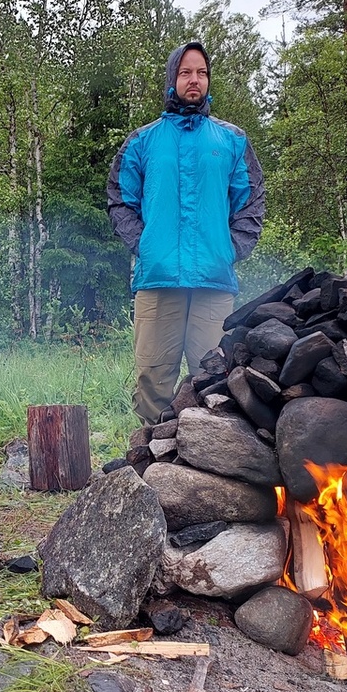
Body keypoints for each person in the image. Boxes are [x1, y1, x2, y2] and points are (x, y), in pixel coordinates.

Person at [107, 41, 265, 424]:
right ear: (171, 79)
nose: (194, 80)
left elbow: (251, 201)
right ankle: (150, 465)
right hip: (158, 279)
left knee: (214, 382)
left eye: (202, 73)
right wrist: (146, 245)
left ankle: (203, 473)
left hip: (213, 281)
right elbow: (120, 198)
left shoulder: (231, 140)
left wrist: (229, 249)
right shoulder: (142, 141)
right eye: (186, 72)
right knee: (152, 381)